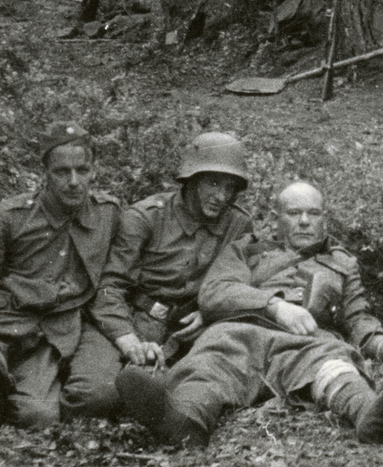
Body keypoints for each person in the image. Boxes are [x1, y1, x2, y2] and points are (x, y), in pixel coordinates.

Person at [114, 182, 383, 446]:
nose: (304, 221)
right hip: (239, 334)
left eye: (313, 213)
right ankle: (183, 423)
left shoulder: (342, 263)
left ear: (325, 219)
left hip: (307, 341)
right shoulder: (248, 250)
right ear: (278, 219)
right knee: (210, 363)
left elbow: (358, 319)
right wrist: (274, 306)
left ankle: (370, 414)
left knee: (334, 364)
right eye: (294, 213)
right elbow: (215, 291)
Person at [0, 122, 121, 428]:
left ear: (94, 171)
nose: (74, 181)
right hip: (3, 322)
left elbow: (126, 272)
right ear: (45, 172)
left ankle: (24, 392)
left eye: (82, 170)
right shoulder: (9, 217)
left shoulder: (108, 214)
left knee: (37, 416)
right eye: (62, 171)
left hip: (54, 335)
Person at [64, 132, 254, 417]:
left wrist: (211, 311)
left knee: (190, 395)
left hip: (186, 332)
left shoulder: (237, 225)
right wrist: (126, 338)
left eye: (230, 187)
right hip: (128, 318)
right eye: (213, 183)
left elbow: (240, 281)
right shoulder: (145, 217)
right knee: (93, 398)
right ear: (191, 178)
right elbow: (108, 286)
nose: (221, 196)